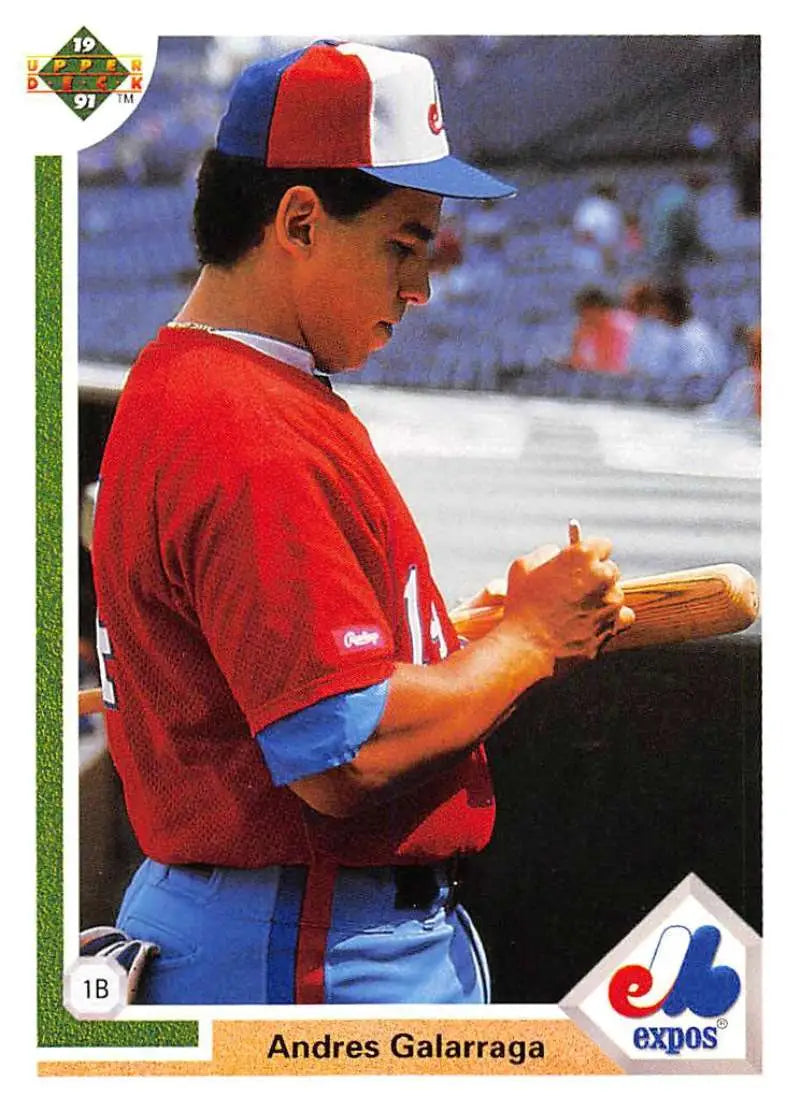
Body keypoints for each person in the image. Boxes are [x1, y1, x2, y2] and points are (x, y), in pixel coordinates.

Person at [90, 40, 632, 1006]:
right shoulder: (245, 421)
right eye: (403, 242)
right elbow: (341, 751)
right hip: (304, 948)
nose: (420, 288)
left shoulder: (202, 381)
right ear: (298, 218)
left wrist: (454, 641)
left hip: (288, 922)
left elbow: (272, 675)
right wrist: (529, 641)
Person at [568, 286, 636, 374]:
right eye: (582, 315)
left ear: (598, 310)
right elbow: (576, 360)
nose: (583, 319)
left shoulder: (616, 327)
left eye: (586, 314)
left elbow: (609, 368)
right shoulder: (588, 328)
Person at [571, 178, 624, 283]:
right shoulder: (592, 208)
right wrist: (605, 252)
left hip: (610, 260)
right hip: (592, 261)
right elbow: (583, 234)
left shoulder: (611, 207)